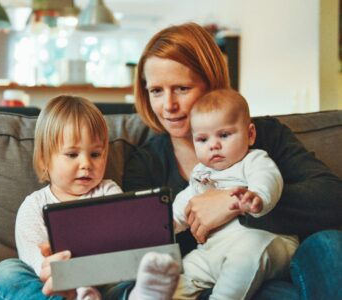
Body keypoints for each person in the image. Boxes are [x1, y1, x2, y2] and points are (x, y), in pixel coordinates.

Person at [123, 22, 342, 299]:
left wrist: (233, 203)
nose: (168, 106)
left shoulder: (265, 136)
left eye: (181, 88)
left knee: (330, 243)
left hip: (276, 261)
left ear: (210, 84)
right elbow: (140, 244)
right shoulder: (144, 163)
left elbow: (333, 198)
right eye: (156, 91)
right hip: (203, 279)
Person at [0, 95, 180, 300]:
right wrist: (55, 269)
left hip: (105, 285)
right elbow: (34, 261)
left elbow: (123, 244)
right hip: (56, 287)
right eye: (72, 154)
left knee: (131, 280)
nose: (86, 164)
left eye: (95, 154)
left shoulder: (109, 192)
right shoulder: (33, 205)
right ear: (44, 160)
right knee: (5, 272)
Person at [172, 89, 298, 299]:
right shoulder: (200, 174)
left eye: (224, 135)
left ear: (250, 134)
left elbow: (268, 179)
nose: (214, 145)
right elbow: (185, 203)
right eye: (202, 139)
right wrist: (168, 223)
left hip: (264, 243)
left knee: (246, 254)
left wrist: (257, 197)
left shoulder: (254, 160)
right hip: (212, 252)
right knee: (175, 279)